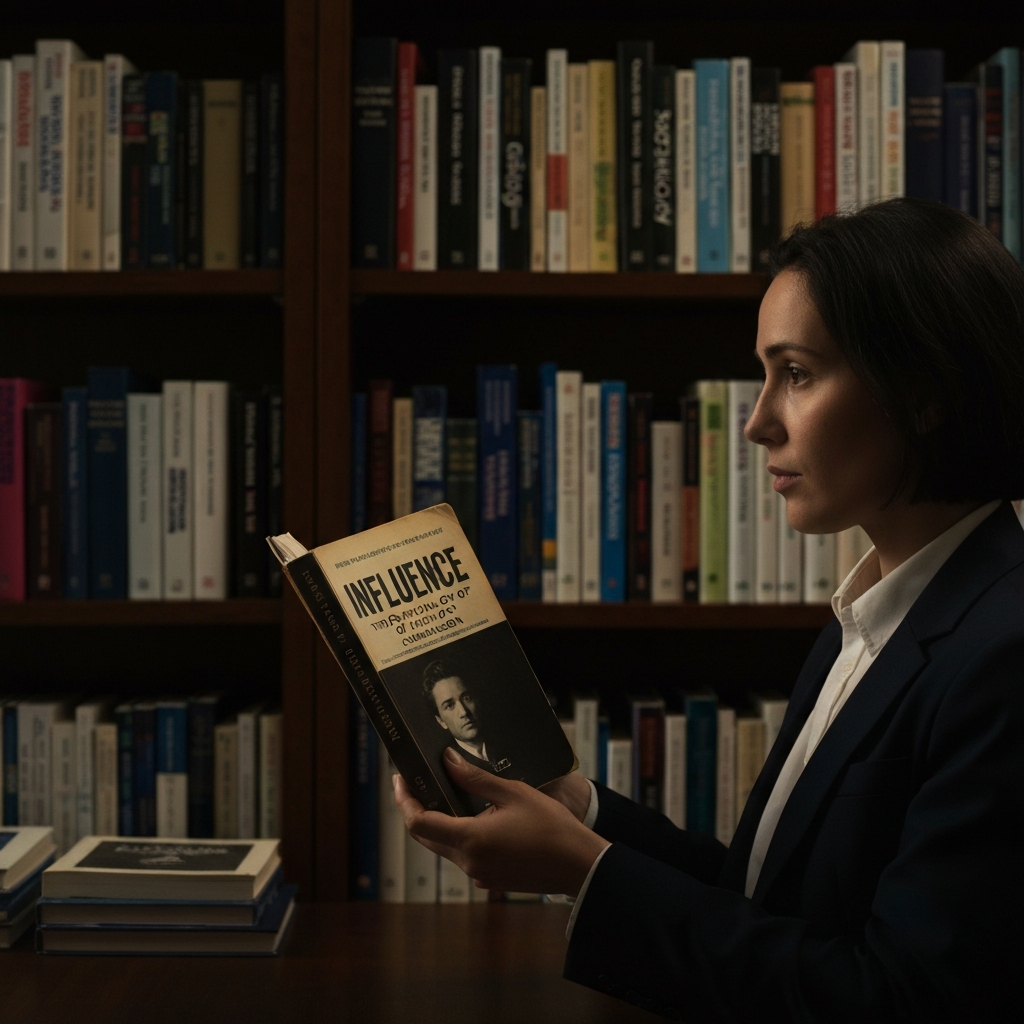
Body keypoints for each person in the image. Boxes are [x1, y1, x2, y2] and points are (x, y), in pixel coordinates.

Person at [395, 198, 1024, 1023]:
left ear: (925, 393)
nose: (759, 422)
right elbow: (770, 897)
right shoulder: (875, 613)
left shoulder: (1003, 654)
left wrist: (586, 874)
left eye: (796, 374)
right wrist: (581, 814)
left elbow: (901, 1000)